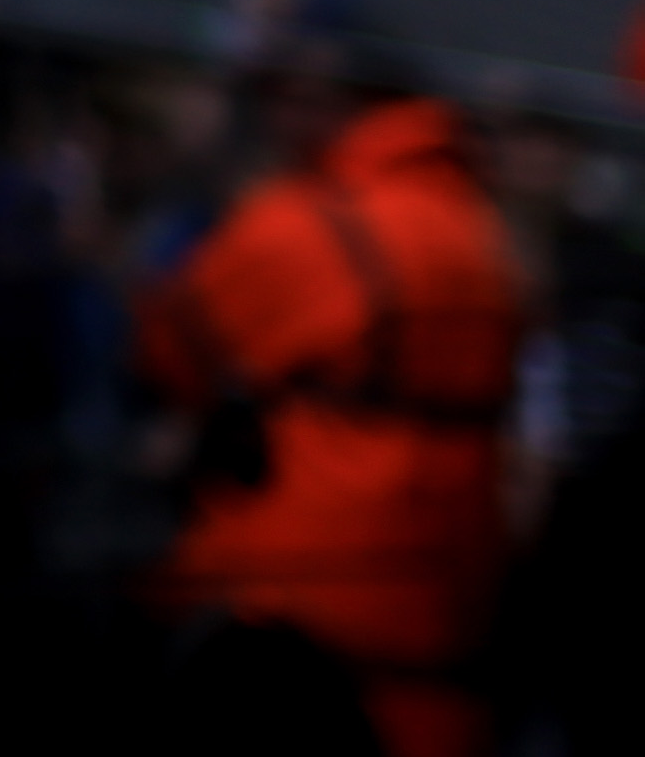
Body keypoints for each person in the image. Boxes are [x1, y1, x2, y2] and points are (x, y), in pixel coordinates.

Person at [135, 63, 526, 757]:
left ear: (351, 106)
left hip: (299, 586)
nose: (282, 119)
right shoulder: (485, 233)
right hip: (449, 591)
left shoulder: (306, 220)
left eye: (302, 98)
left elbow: (169, 348)